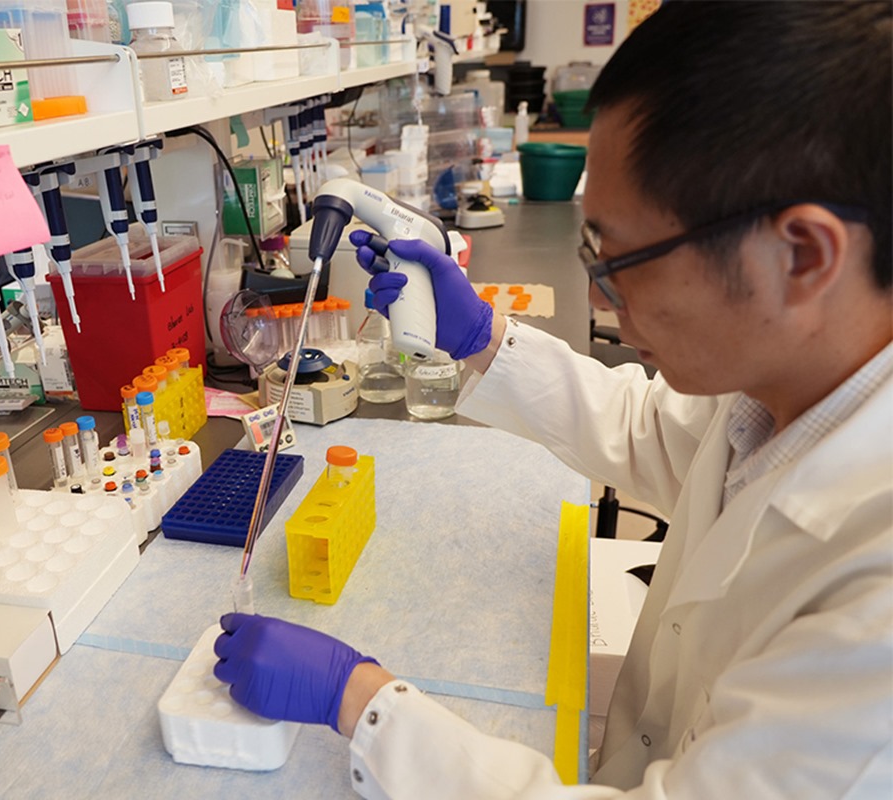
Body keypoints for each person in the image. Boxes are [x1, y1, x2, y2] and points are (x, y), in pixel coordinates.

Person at [212, 2, 893, 797]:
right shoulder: (795, 387)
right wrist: (481, 342)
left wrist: (360, 703)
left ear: (804, 256)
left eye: (620, 257)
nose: (603, 302)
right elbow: (653, 434)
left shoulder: (874, 609)